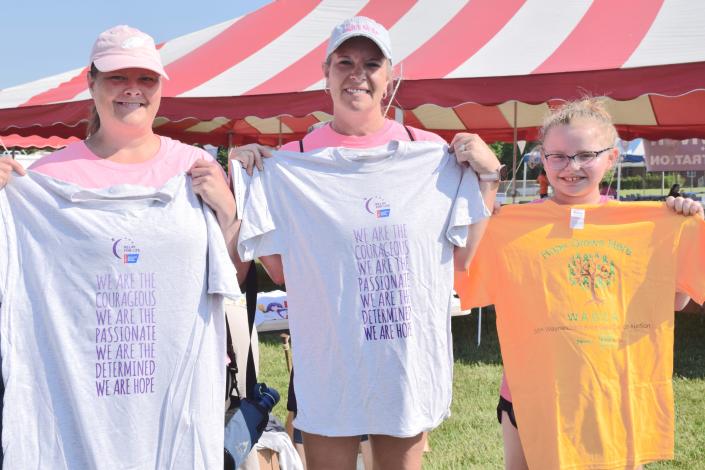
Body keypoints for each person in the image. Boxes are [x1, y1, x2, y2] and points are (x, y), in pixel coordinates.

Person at [231, 16, 500, 470]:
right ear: (326, 73)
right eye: (345, 62)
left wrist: (489, 178)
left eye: (371, 63)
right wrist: (250, 178)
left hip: (403, 356)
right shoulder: (295, 161)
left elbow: (461, 257)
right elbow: (281, 271)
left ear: (390, 75)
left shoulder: (430, 155)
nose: (358, 73)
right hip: (329, 355)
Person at [0, 25, 246, 468]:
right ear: (90, 82)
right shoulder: (43, 182)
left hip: (174, 396)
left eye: (146, 79)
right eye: (117, 77)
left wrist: (228, 213)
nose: (133, 90)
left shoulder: (195, 167)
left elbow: (233, 278)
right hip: (78, 395)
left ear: (160, 89)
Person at [455, 98, 704, 470]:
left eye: (585, 154)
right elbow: (462, 273)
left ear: (612, 158)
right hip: (531, 395)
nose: (571, 167)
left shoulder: (652, 226)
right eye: (558, 156)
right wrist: (485, 200)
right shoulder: (508, 227)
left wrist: (680, 231)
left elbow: (677, 301)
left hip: (613, 396)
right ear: (541, 158)